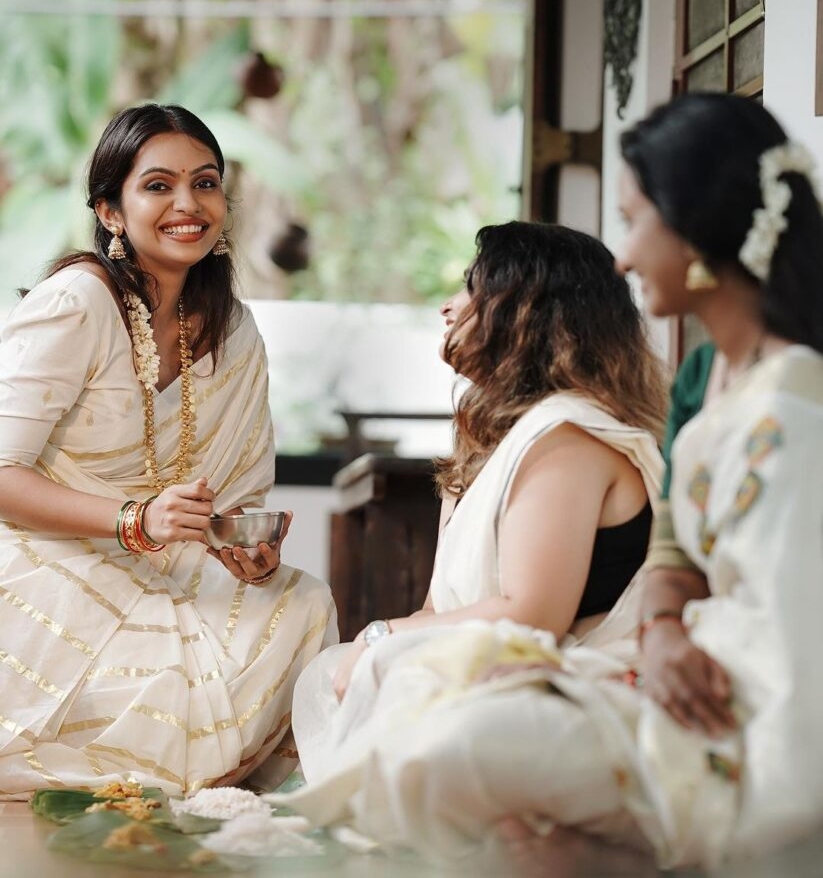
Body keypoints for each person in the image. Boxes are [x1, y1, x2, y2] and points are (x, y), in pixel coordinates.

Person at [279, 94, 823, 873]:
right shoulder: (711, 385)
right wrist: (665, 631)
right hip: (671, 665)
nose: (625, 259)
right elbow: (678, 547)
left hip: (744, 701)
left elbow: (785, 628)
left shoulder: (790, 405)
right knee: (410, 730)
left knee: (440, 746)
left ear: (695, 229)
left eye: (635, 223)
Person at [0, 104, 337, 800]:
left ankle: (189, 795)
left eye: (205, 183)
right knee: (152, 655)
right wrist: (135, 520)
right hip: (47, 549)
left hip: (166, 559)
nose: (188, 204)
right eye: (157, 186)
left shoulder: (231, 329)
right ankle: (123, 793)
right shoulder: (79, 302)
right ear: (112, 211)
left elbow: (232, 493)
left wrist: (239, 546)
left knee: (299, 601)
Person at [280, 221, 667, 802]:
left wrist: (383, 636)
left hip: (571, 687)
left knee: (380, 671)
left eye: (470, 286)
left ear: (525, 308)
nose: (448, 306)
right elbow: (439, 608)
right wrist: (382, 643)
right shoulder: (486, 438)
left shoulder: (567, 436)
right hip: (497, 666)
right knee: (327, 672)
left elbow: (532, 616)